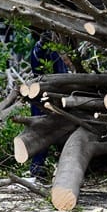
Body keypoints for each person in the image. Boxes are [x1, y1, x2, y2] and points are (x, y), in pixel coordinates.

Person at [29, 31, 69, 177]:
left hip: (40, 94)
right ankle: (37, 165)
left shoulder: (36, 49)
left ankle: (39, 164)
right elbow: (61, 75)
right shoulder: (50, 51)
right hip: (46, 97)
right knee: (44, 130)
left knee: (42, 130)